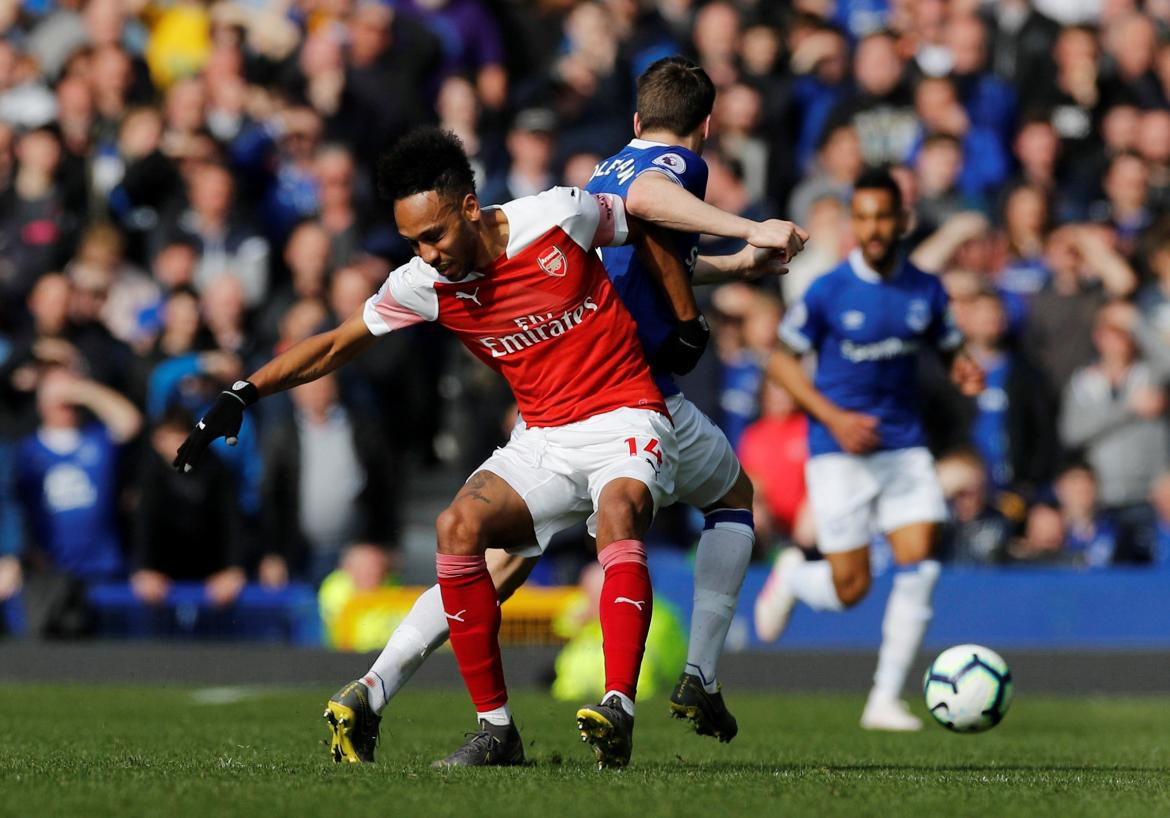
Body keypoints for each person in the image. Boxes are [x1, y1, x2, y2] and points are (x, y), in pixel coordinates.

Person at [322, 56, 806, 756]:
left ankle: (376, 687)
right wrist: (751, 227)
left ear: (635, 121)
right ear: (703, 127)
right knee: (729, 498)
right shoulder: (679, 164)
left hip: (561, 397)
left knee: (495, 563)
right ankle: (693, 674)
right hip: (629, 392)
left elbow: (646, 243)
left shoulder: (608, 166)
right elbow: (650, 205)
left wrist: (730, 266)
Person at [174, 127, 691, 770]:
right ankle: (495, 730)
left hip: (625, 415)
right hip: (543, 437)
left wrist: (687, 317)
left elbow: (644, 218)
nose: (428, 253)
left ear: (470, 208)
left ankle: (618, 706)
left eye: (435, 235)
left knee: (618, 512)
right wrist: (244, 392)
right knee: (457, 526)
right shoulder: (422, 282)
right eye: (413, 241)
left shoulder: (559, 214)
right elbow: (335, 344)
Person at [753, 169, 984, 731]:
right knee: (849, 589)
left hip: (904, 448)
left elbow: (947, 341)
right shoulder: (829, 290)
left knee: (921, 564)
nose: (874, 228)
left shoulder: (924, 289)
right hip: (838, 450)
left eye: (884, 216)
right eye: (864, 217)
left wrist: (963, 366)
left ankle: (883, 699)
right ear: (854, 223)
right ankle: (792, 576)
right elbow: (781, 361)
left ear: (902, 221)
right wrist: (832, 416)